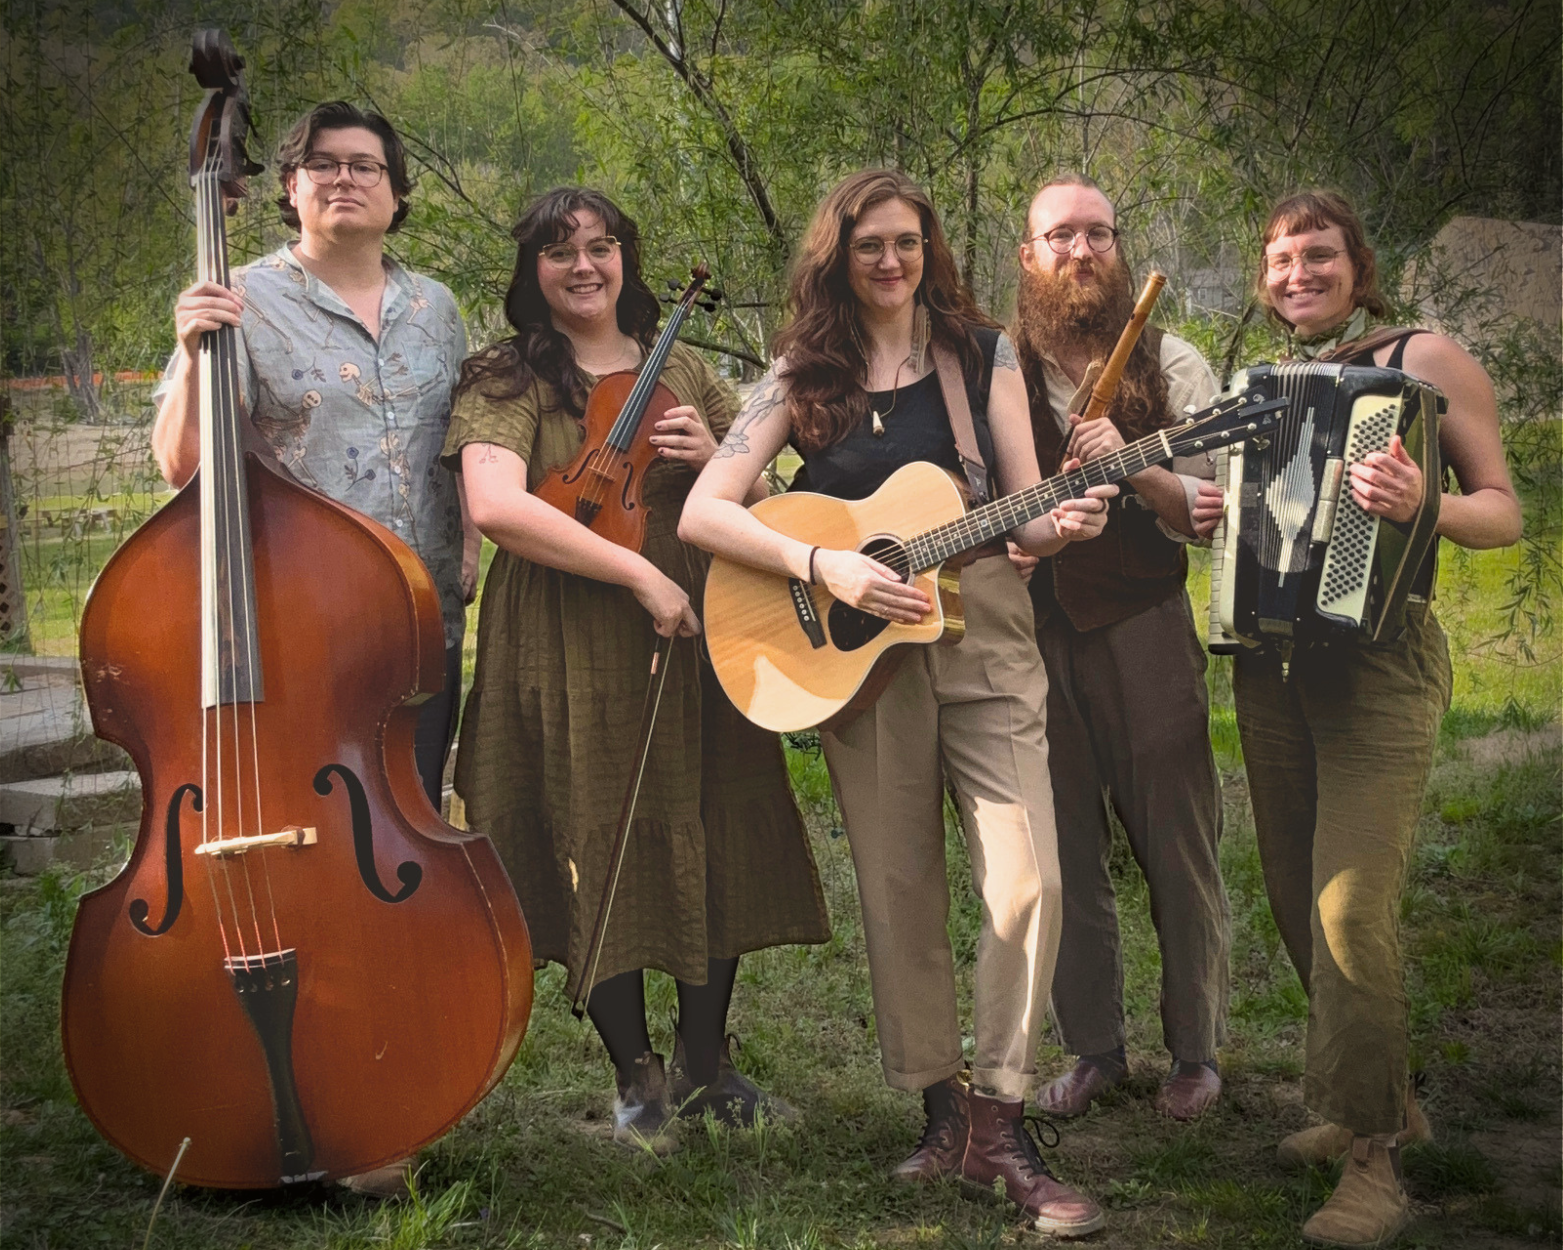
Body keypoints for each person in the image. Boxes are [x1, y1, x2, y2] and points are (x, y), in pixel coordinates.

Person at [681, 169, 1113, 1239]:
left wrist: (1072, 517)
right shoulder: (800, 372)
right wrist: (821, 564)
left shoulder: (984, 353)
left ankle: (1000, 1118)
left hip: (992, 634)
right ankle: (939, 1106)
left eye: (908, 243)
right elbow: (704, 510)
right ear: (837, 255)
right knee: (899, 887)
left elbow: (1027, 506)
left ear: (932, 249)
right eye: (869, 244)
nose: (890, 262)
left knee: (1030, 874)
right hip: (862, 655)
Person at [443, 187, 830, 1156]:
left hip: (701, 619)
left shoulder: (687, 364)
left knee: (716, 814)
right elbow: (496, 505)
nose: (584, 264)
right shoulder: (507, 374)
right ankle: (635, 1073)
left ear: (629, 259)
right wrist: (638, 571)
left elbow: (763, 503)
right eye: (560, 249)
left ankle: (707, 1059)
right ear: (531, 269)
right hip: (570, 628)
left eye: (602, 246)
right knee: (596, 827)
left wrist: (715, 457)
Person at [1239, 189, 1520, 1247]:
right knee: (1288, 890)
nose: (1297, 272)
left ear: (1358, 263)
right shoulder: (1263, 384)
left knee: (1352, 905)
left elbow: (1504, 509)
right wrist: (1218, 507)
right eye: (1279, 258)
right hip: (1270, 666)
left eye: (1317, 254)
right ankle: (1382, 1093)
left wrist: (1424, 503)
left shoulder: (1428, 360)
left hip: (1381, 663)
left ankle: (1374, 1165)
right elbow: (1261, 517)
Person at [151, 100, 477, 815]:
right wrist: (191, 349)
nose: (343, 179)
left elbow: (462, 444)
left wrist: (471, 548)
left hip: (426, 617)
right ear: (290, 187)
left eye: (364, 166)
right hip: (306, 621)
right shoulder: (239, 299)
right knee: (318, 822)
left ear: (395, 193)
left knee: (415, 818)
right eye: (321, 165)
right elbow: (183, 468)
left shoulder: (438, 308)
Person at [1007, 173, 1231, 1122]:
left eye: (1097, 233)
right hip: (1028, 631)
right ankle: (1094, 1048)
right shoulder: (996, 364)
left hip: (1140, 623)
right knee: (1059, 846)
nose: (1082, 251)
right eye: (1060, 236)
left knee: (1175, 842)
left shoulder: (1172, 362)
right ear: (1030, 256)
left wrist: (1132, 464)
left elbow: (1206, 511)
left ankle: (1196, 1053)